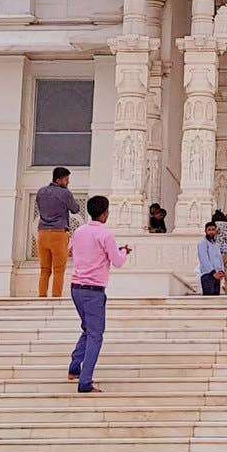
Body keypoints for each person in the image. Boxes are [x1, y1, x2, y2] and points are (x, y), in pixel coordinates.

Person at [67, 195, 130, 393]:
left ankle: (74, 368)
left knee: (88, 329)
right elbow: (118, 261)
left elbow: (71, 251)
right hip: (93, 290)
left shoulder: (79, 231)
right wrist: (124, 252)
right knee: (95, 335)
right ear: (104, 214)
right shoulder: (106, 234)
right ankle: (85, 382)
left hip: (76, 287)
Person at [34, 168, 80, 298]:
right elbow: (75, 209)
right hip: (58, 234)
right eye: (66, 179)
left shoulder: (41, 192)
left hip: (42, 233)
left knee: (44, 269)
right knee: (59, 269)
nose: (68, 182)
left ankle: (42, 296)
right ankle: (55, 297)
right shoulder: (65, 193)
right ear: (58, 180)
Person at [196, 221, 227, 296]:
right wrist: (213, 273)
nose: (211, 232)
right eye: (209, 230)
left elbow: (220, 259)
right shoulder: (203, 243)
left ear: (216, 231)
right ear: (205, 231)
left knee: (216, 301)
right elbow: (204, 259)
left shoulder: (216, 244)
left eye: (213, 230)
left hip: (217, 276)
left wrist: (221, 271)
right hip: (208, 275)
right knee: (209, 301)